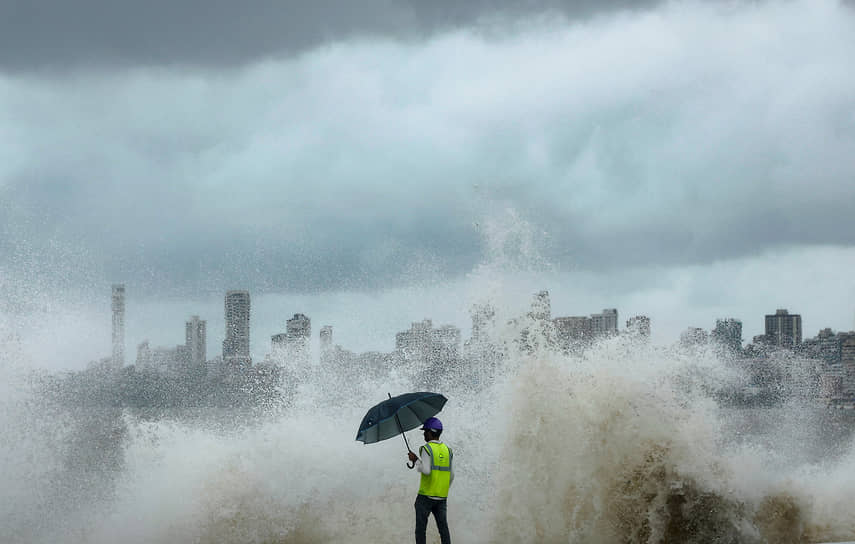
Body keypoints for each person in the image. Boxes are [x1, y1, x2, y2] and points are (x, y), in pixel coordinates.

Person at [407, 416, 453, 544]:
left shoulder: (426, 448)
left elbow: (426, 470)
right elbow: (452, 475)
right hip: (442, 497)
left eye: (424, 432)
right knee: (443, 529)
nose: (423, 435)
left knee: (421, 530)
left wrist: (415, 460)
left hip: (425, 496)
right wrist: (442, 488)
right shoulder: (448, 450)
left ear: (430, 432)